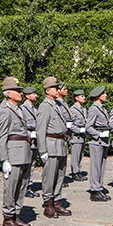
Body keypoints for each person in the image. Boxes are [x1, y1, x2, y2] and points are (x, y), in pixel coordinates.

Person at [0, 77, 33, 226]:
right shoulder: (6, 111)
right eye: (17, 91)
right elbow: (2, 136)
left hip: (24, 152)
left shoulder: (18, 109)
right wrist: (4, 159)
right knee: (11, 187)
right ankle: (8, 218)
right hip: (14, 154)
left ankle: (17, 214)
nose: (20, 93)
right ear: (9, 93)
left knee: (22, 185)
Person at [36, 76, 72, 217]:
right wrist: (43, 150)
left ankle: (57, 202)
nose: (58, 90)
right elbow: (41, 130)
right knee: (49, 177)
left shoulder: (56, 104)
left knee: (60, 175)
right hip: (51, 144)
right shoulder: (45, 106)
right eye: (55, 88)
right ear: (48, 90)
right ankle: (48, 204)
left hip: (61, 144)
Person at [86, 85, 112, 202]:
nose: (106, 95)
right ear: (98, 96)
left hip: (103, 141)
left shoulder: (102, 108)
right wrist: (98, 134)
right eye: (104, 93)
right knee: (96, 166)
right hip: (97, 142)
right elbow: (88, 126)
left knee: (101, 166)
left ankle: (99, 187)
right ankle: (94, 190)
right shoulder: (94, 109)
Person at [20, 86, 40, 198]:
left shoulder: (35, 109)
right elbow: (22, 125)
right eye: (33, 93)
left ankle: (29, 185)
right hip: (28, 140)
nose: (36, 95)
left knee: (32, 164)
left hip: (35, 140)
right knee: (26, 164)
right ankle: (24, 186)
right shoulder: (23, 109)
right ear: (27, 95)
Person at [55, 82, 74, 192]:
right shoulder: (58, 103)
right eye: (64, 89)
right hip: (61, 132)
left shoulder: (63, 102)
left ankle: (60, 179)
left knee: (63, 158)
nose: (66, 91)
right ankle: (58, 180)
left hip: (66, 132)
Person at [69, 89, 88, 182]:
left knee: (80, 155)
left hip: (82, 136)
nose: (84, 98)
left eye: (84, 96)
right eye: (82, 96)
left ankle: (78, 171)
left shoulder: (83, 109)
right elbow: (70, 124)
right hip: (76, 136)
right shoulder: (72, 109)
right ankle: (75, 172)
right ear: (76, 98)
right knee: (75, 155)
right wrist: (79, 130)